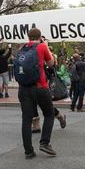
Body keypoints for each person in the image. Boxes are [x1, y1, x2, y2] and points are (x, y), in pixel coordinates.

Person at [14, 28, 57, 159]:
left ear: (28, 37)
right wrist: (46, 46)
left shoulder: (22, 49)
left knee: (26, 119)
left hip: (23, 88)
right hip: (39, 86)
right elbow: (51, 63)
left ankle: (28, 151)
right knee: (49, 114)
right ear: (39, 37)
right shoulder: (42, 46)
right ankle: (44, 143)